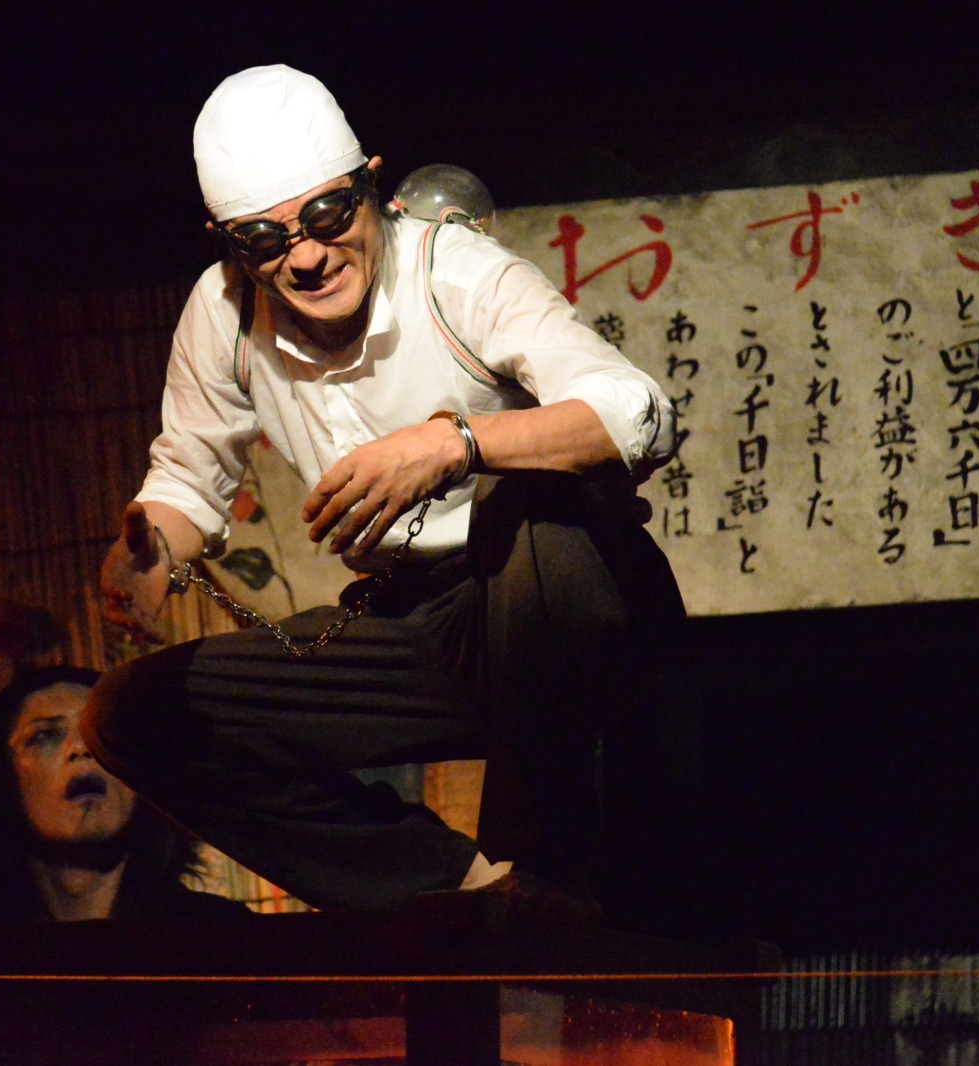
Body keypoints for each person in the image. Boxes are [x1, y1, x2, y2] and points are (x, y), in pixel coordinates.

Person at [85, 65, 683, 923]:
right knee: (130, 714)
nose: (305, 256)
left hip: (555, 606)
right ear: (227, 242)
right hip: (415, 627)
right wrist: (150, 554)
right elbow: (187, 479)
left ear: (371, 187)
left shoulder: (455, 275)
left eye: (329, 215)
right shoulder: (223, 311)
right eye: (264, 238)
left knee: (538, 508)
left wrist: (453, 445)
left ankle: (541, 863)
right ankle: (469, 887)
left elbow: (639, 413)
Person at [0, 665, 245, 921]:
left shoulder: (222, 935)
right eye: (45, 735)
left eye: (103, 731)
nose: (81, 748)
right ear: (2, 777)